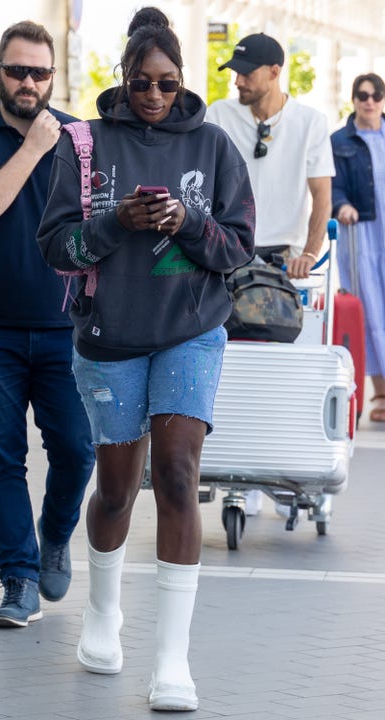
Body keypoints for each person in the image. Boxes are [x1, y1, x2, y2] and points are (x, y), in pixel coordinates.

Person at [37, 6, 254, 712]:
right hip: (109, 338)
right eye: (141, 84)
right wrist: (115, 222)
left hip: (191, 331)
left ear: (183, 81)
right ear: (123, 81)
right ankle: (103, 614)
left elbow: (237, 250)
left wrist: (185, 221)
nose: (155, 97)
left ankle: (171, 663)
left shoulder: (215, 146)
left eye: (166, 83)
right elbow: (56, 247)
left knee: (179, 475)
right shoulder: (85, 144)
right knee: (118, 489)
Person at [0, 21, 95, 628]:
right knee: (1, 459)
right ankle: (19, 580)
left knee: (78, 452)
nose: (29, 82)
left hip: (66, 327)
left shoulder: (81, 139)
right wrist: (32, 147)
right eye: (17, 71)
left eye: (39, 72)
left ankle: (54, 534)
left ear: (53, 76)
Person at [207, 33, 335, 517]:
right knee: (230, 370)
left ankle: (286, 465)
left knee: (288, 371)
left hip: (283, 262)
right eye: (235, 71)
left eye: (247, 72)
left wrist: (308, 251)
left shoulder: (308, 122)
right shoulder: (219, 114)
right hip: (228, 254)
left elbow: (320, 194)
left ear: (275, 72)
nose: (238, 80)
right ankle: (243, 470)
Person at [331, 72, 385, 423]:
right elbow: (330, 184)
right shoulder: (338, 140)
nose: (369, 101)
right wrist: (341, 205)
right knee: (372, 310)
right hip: (362, 233)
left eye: (376, 95)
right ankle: (381, 393)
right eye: (362, 95)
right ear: (353, 99)